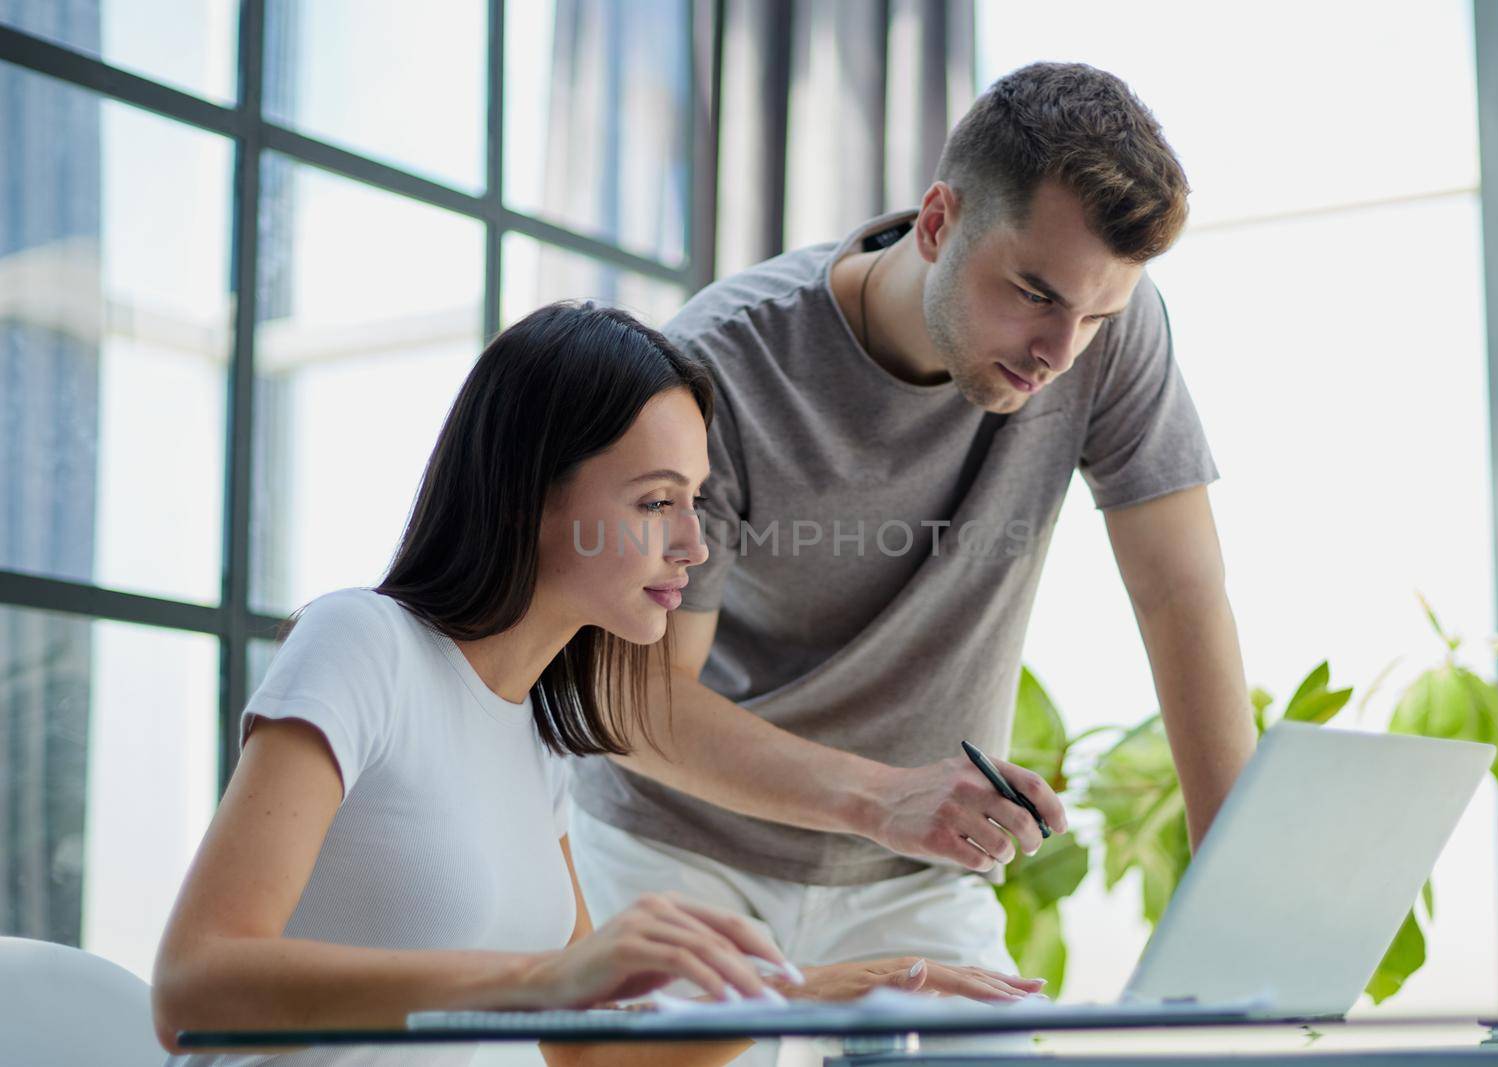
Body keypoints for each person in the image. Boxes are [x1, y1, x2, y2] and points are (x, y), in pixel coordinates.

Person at [152, 302, 1040, 1067]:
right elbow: (194, 985)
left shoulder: (536, 734)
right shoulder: (360, 643)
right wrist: (544, 979)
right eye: (656, 502)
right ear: (522, 496)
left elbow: (583, 1048)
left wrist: (807, 997)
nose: (693, 545)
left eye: (696, 499)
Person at [569, 60, 1259, 1043]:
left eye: (1095, 314)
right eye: (1032, 293)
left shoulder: (1103, 336)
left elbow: (1180, 590)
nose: (1059, 351)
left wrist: (1227, 895)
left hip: (911, 878)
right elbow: (633, 699)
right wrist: (883, 795)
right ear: (937, 222)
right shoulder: (721, 365)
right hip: (683, 852)